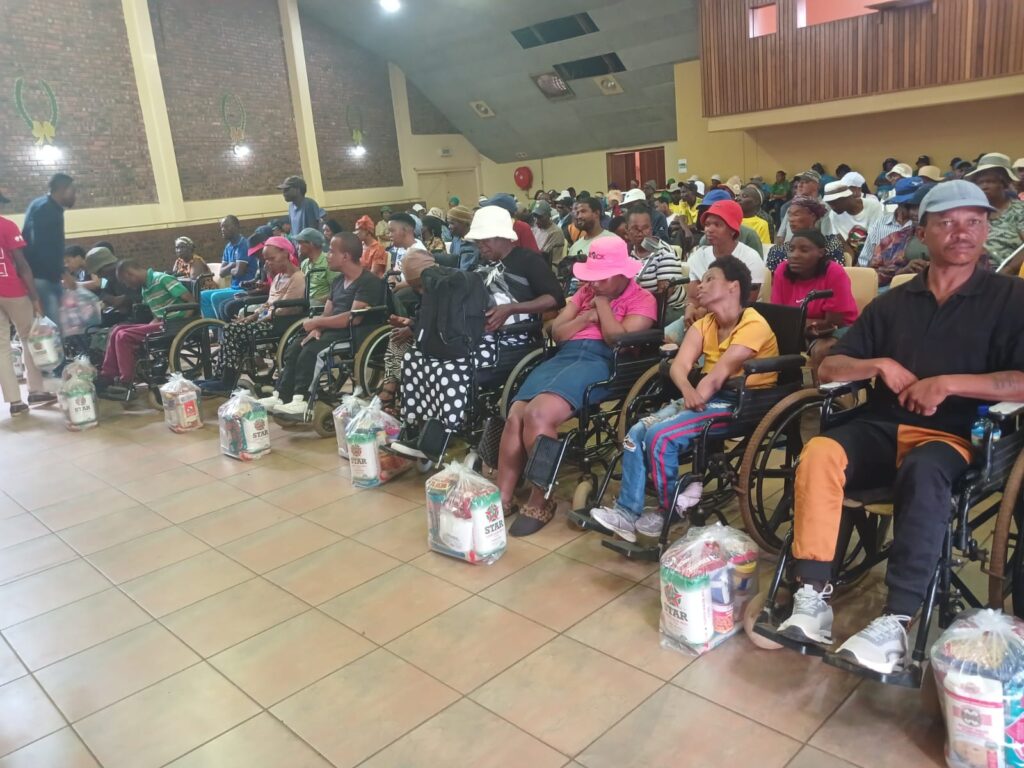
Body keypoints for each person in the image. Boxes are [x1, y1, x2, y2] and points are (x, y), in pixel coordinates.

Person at [775, 181, 1024, 675]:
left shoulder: (1011, 299)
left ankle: (896, 619)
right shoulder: (892, 303)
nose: (962, 233)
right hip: (883, 425)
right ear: (922, 233)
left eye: (974, 222)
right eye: (947, 222)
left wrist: (947, 384)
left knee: (924, 470)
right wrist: (879, 365)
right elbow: (829, 367)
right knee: (820, 451)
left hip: (955, 435)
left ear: (986, 229)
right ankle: (813, 595)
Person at [590, 256, 778, 541]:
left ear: (733, 286)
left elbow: (719, 375)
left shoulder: (755, 324)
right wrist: (688, 393)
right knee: (636, 433)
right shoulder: (705, 324)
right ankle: (627, 513)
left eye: (710, 279)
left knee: (661, 436)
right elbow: (679, 366)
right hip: (705, 394)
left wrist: (692, 399)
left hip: (741, 402)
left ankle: (672, 510)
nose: (700, 285)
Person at [497, 237, 657, 536]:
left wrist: (603, 307)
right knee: (516, 414)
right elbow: (558, 332)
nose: (594, 283)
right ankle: (503, 497)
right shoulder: (584, 293)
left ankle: (541, 498)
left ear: (623, 273)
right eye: (592, 276)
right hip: (565, 357)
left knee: (538, 415)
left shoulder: (642, 299)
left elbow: (617, 339)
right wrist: (586, 316)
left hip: (603, 362)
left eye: (602, 277)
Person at [393, 208, 565, 448]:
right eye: (478, 241)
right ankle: (420, 429)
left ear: (503, 236)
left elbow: (556, 298)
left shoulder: (528, 261)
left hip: (511, 339)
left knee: (450, 367)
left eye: (485, 240)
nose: (480, 245)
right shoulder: (483, 263)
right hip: (476, 335)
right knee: (416, 358)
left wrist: (512, 309)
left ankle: (441, 438)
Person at [265, 233, 385, 417]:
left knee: (313, 350)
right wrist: (317, 328)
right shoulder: (338, 281)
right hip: (334, 329)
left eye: (331, 252)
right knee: (297, 345)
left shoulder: (369, 282)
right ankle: (281, 396)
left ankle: (302, 399)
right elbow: (328, 312)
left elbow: (353, 318)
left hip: (356, 332)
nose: (327, 255)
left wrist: (317, 322)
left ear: (345, 256)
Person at [200, 237, 306, 394]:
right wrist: (250, 317)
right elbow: (268, 304)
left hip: (281, 323)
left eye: (272, 258)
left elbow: (285, 309)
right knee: (231, 328)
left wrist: (260, 317)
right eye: (266, 259)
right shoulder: (278, 277)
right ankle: (219, 376)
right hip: (270, 319)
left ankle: (227, 381)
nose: (268, 263)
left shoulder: (297, 278)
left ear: (285, 253)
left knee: (231, 331)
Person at [95, 261, 194, 396]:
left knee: (124, 336)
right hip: (161, 322)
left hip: (173, 324)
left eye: (125, 282)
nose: (127, 286)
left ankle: (126, 381)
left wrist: (181, 321)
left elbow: (191, 302)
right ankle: (107, 376)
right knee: (116, 330)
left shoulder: (162, 279)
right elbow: (157, 314)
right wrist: (148, 327)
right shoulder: (145, 288)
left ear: (130, 274)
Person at [771, 229, 859, 379]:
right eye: (791, 249)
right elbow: (778, 316)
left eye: (804, 250)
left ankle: (822, 391)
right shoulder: (782, 270)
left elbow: (833, 322)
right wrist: (802, 325)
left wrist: (797, 324)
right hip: (798, 330)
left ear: (820, 253)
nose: (794, 255)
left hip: (840, 328)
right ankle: (785, 387)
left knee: (822, 349)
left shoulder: (834, 272)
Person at [0, 196, 51, 414]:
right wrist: (35, 298)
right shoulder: (6, 225)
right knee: (28, 337)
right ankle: (36, 390)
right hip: (12, 290)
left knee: (1, 347)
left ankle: (15, 402)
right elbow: (22, 265)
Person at [685, 200, 766, 326]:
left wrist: (706, 311)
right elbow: (693, 297)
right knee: (667, 335)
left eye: (717, 225)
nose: (709, 229)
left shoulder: (750, 258)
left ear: (733, 230)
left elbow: (746, 303)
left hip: (739, 321)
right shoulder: (699, 256)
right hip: (701, 320)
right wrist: (690, 308)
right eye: (707, 224)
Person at [22, 173, 75, 325]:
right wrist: (64, 272)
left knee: (55, 326)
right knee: (53, 328)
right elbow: (42, 246)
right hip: (43, 278)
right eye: (73, 191)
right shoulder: (47, 210)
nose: (75, 196)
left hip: (44, 276)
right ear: (63, 189)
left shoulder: (41, 205)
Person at [861, 180, 932, 286]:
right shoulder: (894, 238)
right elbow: (872, 275)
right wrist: (902, 273)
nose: (914, 213)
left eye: (920, 208)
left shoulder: (950, 239)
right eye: (911, 207)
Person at [624, 205, 685, 322]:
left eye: (645, 228)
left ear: (651, 229)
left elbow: (663, 296)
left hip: (667, 310)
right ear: (627, 230)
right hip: (634, 306)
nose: (641, 233)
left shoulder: (664, 253)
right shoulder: (626, 252)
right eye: (635, 228)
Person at [966, 153, 1024, 269]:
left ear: (1004, 184)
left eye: (990, 181)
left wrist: (1007, 271)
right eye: (980, 182)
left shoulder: (1019, 210)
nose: (984, 186)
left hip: (1012, 275)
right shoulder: (972, 213)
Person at [765, 196, 846, 274]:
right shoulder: (777, 251)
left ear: (813, 216)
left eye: (796, 214)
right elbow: (773, 281)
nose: (791, 219)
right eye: (790, 215)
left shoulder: (831, 246)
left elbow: (837, 275)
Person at [201, 216, 252, 319]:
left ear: (236, 227)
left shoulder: (243, 245)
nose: (223, 230)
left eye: (226, 226)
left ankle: (222, 326)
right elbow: (222, 273)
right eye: (221, 227)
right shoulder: (228, 247)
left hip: (245, 288)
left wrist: (231, 268)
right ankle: (212, 326)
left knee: (215, 297)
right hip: (233, 287)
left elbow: (239, 272)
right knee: (203, 295)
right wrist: (232, 265)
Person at [822, 180, 885, 262]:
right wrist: (851, 263)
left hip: (875, 252)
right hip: (851, 254)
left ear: (846, 198)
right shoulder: (834, 215)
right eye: (829, 204)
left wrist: (863, 262)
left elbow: (875, 239)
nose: (832, 208)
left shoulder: (873, 206)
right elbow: (842, 242)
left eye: (834, 203)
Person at [776, 170, 821, 244]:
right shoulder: (792, 207)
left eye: (805, 182)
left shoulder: (825, 209)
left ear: (817, 186)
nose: (800, 185)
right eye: (800, 182)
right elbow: (781, 235)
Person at [295, 228, 337, 306]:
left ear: (311, 244)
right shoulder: (304, 263)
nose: (297, 247)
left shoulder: (328, 261)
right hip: (307, 305)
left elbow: (337, 291)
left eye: (300, 243)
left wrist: (315, 301)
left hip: (321, 307)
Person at [566, 196, 615, 262]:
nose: (579, 216)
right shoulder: (574, 248)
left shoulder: (612, 241)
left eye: (583, 211)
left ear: (596, 213)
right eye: (578, 213)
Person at [529, 200, 565, 265]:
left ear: (548, 216)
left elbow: (544, 256)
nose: (536, 221)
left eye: (540, 217)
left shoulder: (556, 232)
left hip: (550, 265)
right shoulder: (535, 229)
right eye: (535, 216)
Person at [446, 206, 480, 271]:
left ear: (464, 223)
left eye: (452, 223)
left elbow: (465, 271)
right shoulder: (456, 239)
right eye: (449, 223)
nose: (449, 226)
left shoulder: (473, 242)